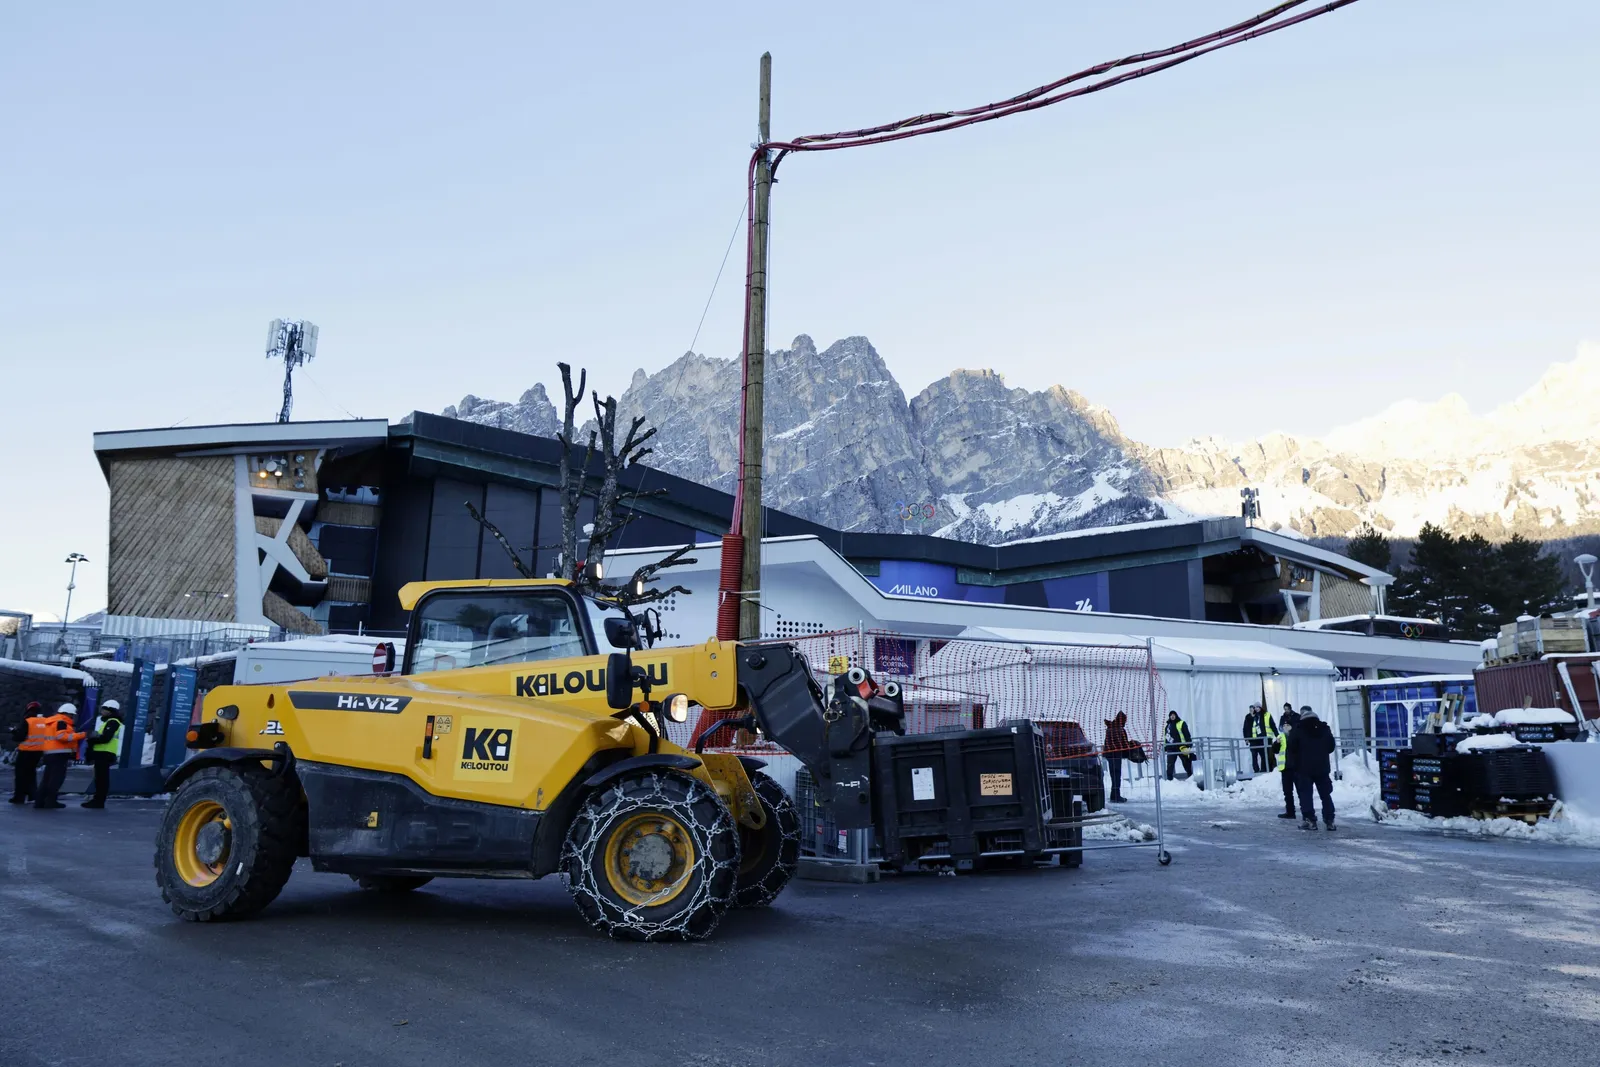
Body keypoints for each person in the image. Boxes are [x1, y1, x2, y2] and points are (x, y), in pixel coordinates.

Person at [1287, 704, 1336, 831]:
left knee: (1306, 795)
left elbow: (1291, 747)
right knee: (1326, 795)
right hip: (1322, 767)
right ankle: (1329, 820)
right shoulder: (1324, 728)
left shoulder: (1298, 728)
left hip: (1304, 768)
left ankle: (1310, 821)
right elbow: (1331, 747)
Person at [34, 703, 86, 810]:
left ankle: (39, 801)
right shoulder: (61, 722)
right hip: (59, 755)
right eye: (72, 715)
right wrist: (82, 735)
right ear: (68, 714)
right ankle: (50, 802)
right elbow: (62, 736)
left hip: (50, 754)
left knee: (47, 779)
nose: (72, 717)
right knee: (56, 780)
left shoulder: (51, 722)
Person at [81, 700, 124, 809]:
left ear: (110, 710)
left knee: (101, 779)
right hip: (103, 753)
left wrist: (92, 740)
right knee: (100, 778)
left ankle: (99, 801)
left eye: (104, 709)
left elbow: (105, 738)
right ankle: (98, 799)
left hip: (104, 753)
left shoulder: (113, 722)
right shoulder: (110, 721)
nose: (102, 711)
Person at [9, 701, 47, 804]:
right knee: (31, 773)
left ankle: (19, 797)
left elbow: (20, 737)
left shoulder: (28, 721)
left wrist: (14, 732)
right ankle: (32, 795)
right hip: (38, 751)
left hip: (26, 751)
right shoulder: (44, 721)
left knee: (20, 774)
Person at [1275, 709, 1300, 820]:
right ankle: (1290, 812)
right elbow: (1275, 750)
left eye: (1287, 726)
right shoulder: (1280, 737)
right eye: (1284, 726)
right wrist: (1276, 743)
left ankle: (1306, 812)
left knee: (1301, 791)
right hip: (1285, 768)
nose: (1285, 727)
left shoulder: (1296, 736)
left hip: (1296, 767)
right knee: (1287, 792)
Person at [1103, 711, 1132, 803]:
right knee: (1117, 775)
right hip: (1116, 755)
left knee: (1113, 775)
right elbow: (1124, 743)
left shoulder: (1109, 728)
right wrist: (1129, 752)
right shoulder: (1120, 729)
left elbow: (1106, 742)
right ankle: (1116, 796)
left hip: (1109, 755)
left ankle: (1113, 795)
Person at [1244, 703, 1278, 774]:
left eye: (1257, 707)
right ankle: (1258, 770)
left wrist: (1277, 735)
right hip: (1255, 740)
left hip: (1266, 738)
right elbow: (1246, 728)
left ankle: (1266, 769)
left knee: (1266, 755)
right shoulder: (1252, 717)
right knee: (1256, 755)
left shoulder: (1266, 715)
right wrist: (1246, 739)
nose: (1256, 709)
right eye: (1254, 708)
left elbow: (1273, 725)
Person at [1165, 711, 1194, 781]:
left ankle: (1191, 776)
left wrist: (1189, 743)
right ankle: (1169, 780)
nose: (1172, 716)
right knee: (1170, 764)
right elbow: (1165, 737)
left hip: (1181, 747)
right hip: (1171, 748)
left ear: (1176, 715)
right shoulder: (1167, 726)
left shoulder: (1181, 723)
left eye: (1173, 715)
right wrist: (1166, 746)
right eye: (1171, 715)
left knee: (1186, 762)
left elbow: (1187, 734)